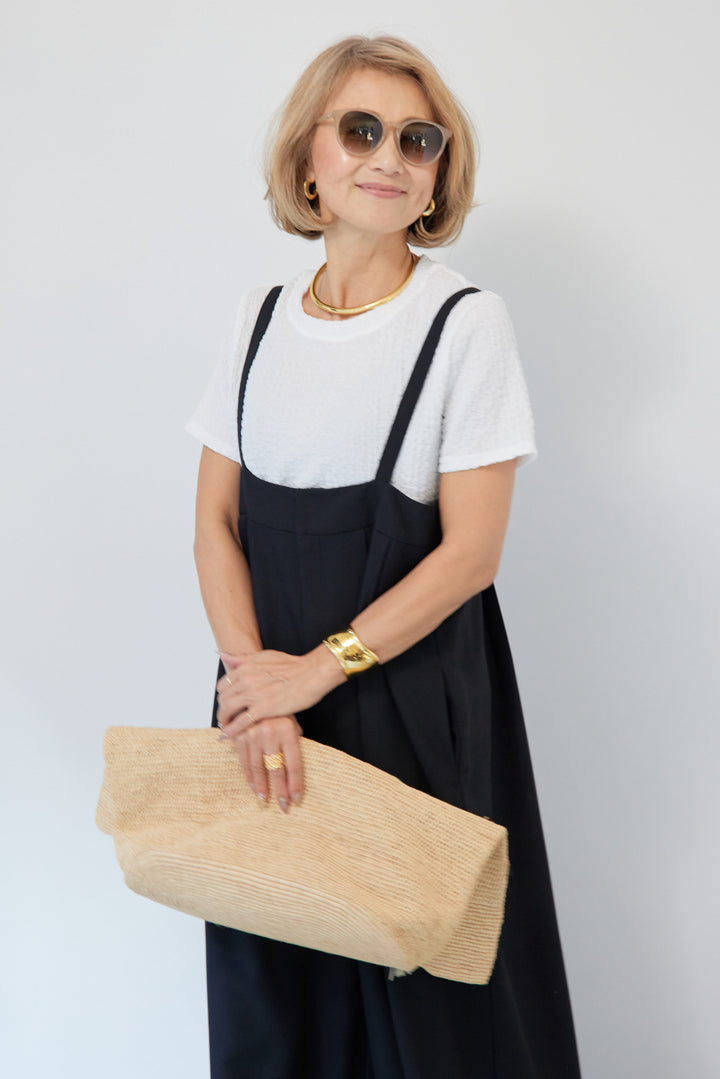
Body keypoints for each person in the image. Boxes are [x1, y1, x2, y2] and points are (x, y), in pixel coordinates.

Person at [186, 34, 581, 1079]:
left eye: (418, 139)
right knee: (275, 999)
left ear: (438, 175)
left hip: (408, 702)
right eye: (360, 129)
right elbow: (214, 522)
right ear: (307, 160)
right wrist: (255, 691)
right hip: (264, 702)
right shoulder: (259, 319)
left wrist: (313, 673)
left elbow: (471, 554)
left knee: (434, 1015)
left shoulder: (464, 325)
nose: (389, 156)